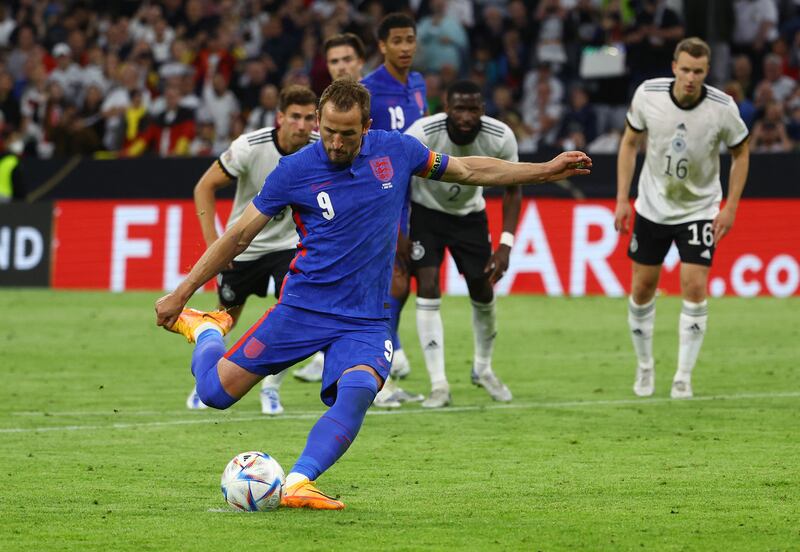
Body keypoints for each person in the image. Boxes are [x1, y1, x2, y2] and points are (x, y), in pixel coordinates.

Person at [155, 78, 591, 510]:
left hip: (364, 318)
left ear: (366, 127)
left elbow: (470, 169)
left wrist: (544, 170)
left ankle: (298, 483)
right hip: (302, 308)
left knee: (360, 388)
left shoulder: (396, 151)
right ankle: (208, 329)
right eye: (327, 130)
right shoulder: (293, 170)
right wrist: (183, 292)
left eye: (347, 133)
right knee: (214, 393)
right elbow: (238, 236)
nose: (336, 142)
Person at [614, 37, 750, 400]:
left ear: (707, 72)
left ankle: (683, 377)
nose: (691, 77)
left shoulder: (722, 107)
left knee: (693, 285)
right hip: (652, 206)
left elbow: (741, 152)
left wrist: (731, 206)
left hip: (699, 208)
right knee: (642, 289)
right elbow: (629, 143)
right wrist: (622, 198)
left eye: (699, 72)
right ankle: (645, 368)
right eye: (686, 69)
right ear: (674, 66)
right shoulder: (648, 94)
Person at [185, 85, 319, 414]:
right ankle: (205, 379)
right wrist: (215, 243)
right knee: (223, 318)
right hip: (243, 244)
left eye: (309, 118)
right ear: (280, 118)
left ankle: (271, 388)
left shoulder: (322, 149)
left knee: (294, 313)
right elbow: (204, 186)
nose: (302, 126)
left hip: (291, 244)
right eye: (295, 118)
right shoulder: (250, 146)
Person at [405, 80, 521, 408]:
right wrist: (398, 231)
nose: (466, 116)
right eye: (459, 108)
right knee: (427, 285)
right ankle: (438, 384)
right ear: (446, 107)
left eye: (473, 109)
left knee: (483, 289)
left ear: (483, 110)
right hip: (426, 215)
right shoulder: (423, 133)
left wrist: (506, 244)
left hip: (470, 217)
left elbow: (515, 188)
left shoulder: (500, 137)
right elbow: (397, 179)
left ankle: (483, 368)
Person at [290, 32, 367, 384]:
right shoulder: (311, 146)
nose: (341, 67)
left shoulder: (378, 101)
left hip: (383, 212)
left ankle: (379, 355)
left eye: (346, 59)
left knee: (387, 285)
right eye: (333, 61)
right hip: (326, 222)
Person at [361, 12, 428, 407]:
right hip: (384, 198)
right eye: (397, 41)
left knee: (400, 286)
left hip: (417, 196)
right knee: (387, 284)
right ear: (382, 45)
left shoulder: (418, 85)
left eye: (410, 40)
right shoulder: (369, 89)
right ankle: (374, 378)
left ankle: (382, 370)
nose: (405, 48)